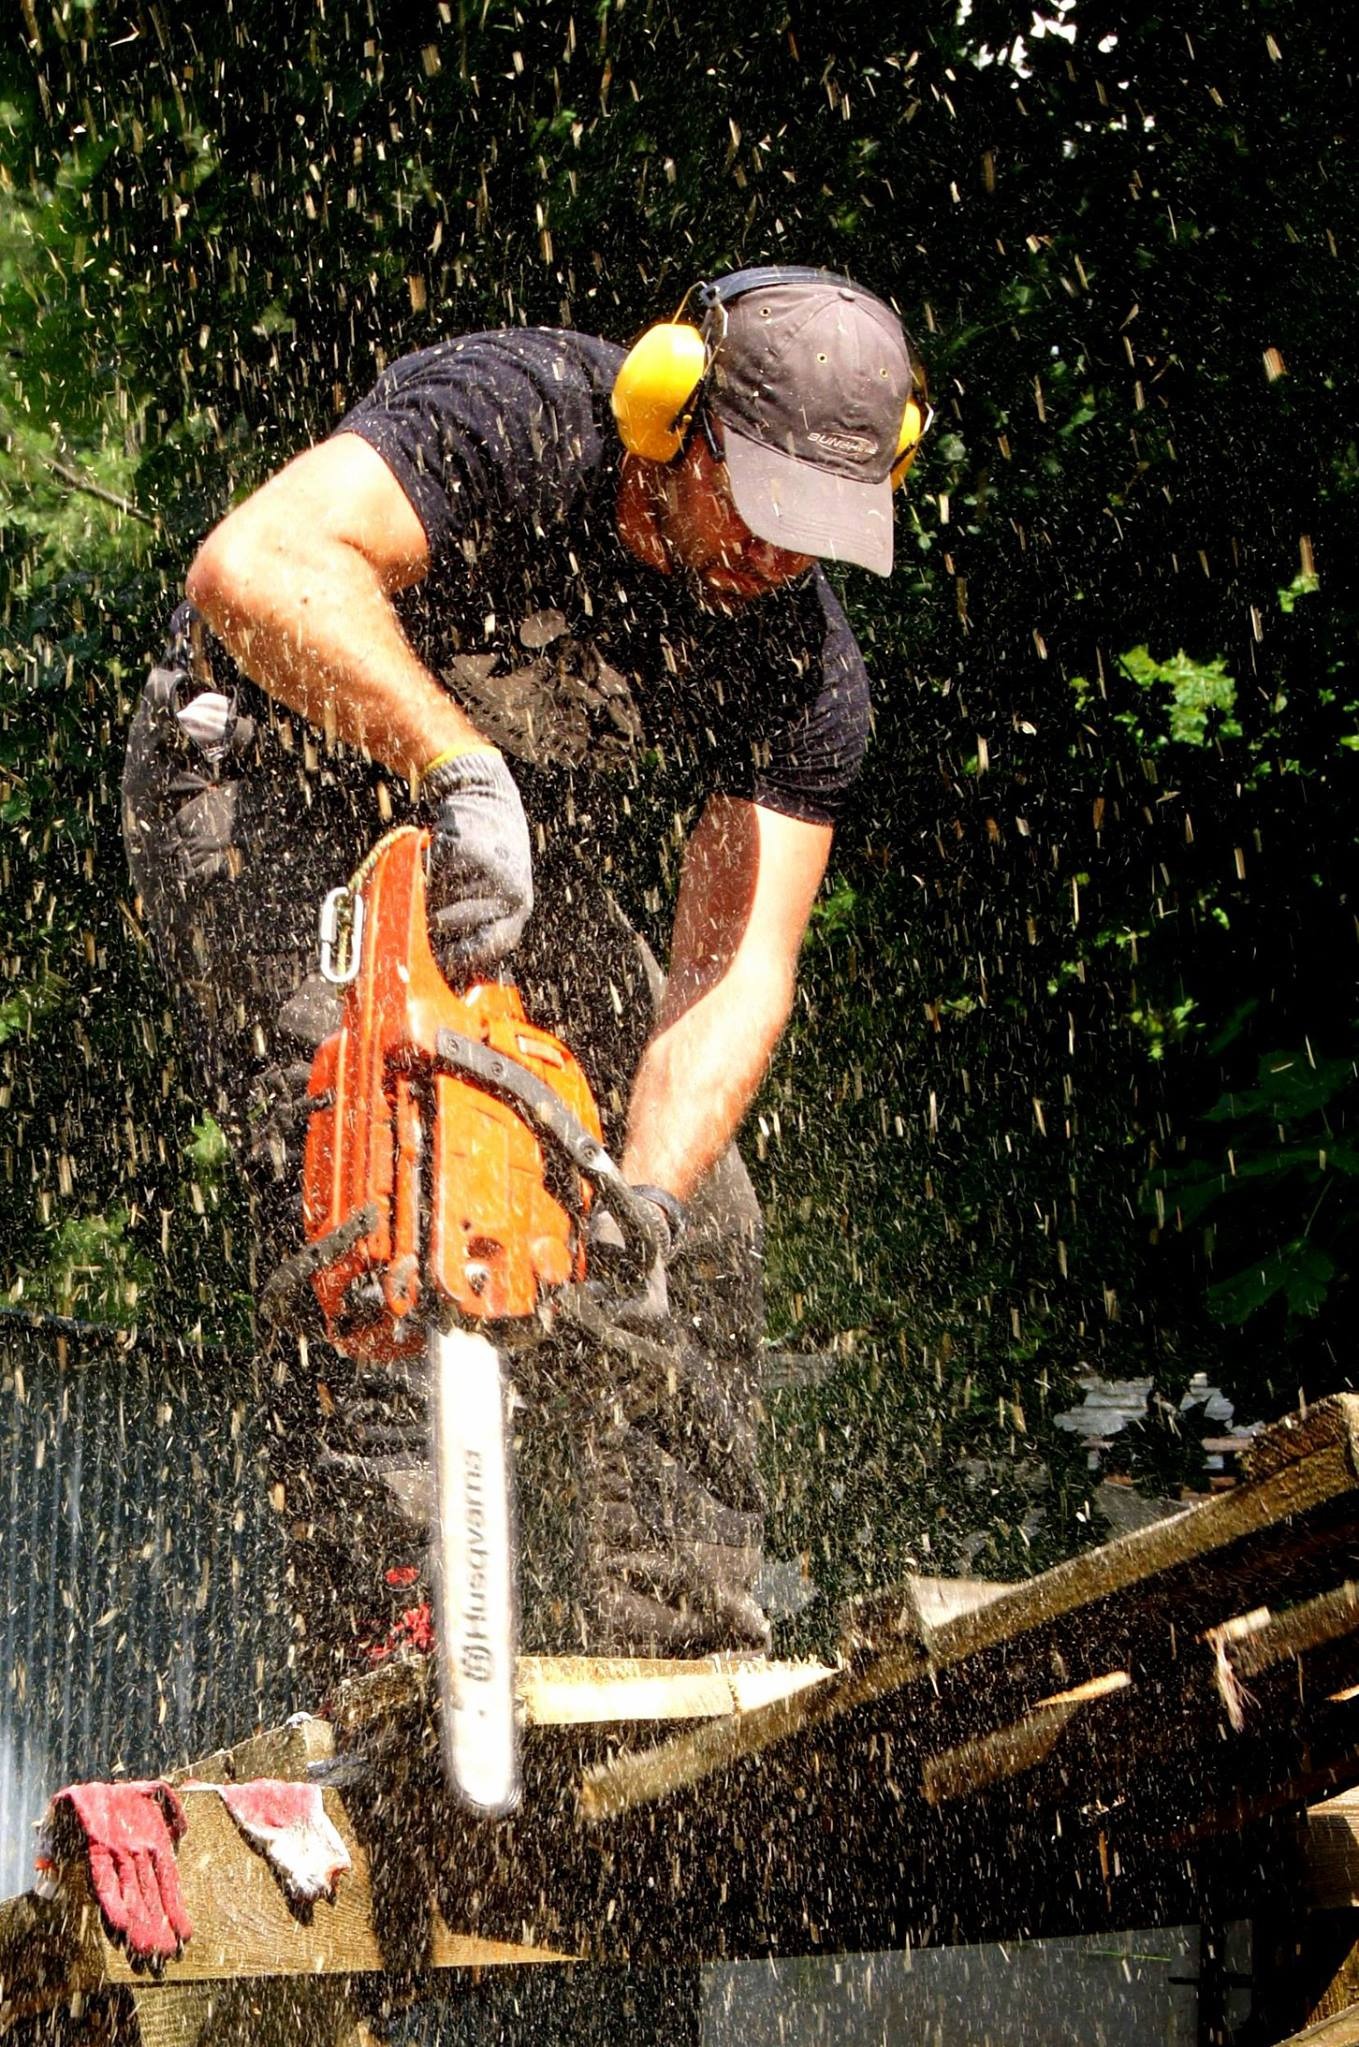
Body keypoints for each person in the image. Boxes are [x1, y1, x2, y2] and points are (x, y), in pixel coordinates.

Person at [121, 265, 929, 1689]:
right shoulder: (519, 416)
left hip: (487, 837)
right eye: (753, 505)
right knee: (379, 1147)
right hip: (259, 766)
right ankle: (385, 1648)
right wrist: (452, 765)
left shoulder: (803, 666)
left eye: (814, 534)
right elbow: (249, 568)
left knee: (707, 1225)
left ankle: (680, 1658)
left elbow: (735, 974)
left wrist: (647, 1199)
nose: (773, 558)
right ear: (671, 418)